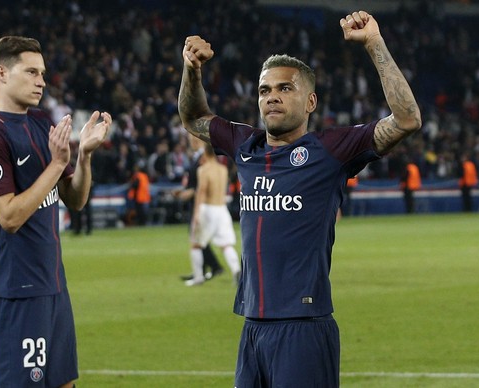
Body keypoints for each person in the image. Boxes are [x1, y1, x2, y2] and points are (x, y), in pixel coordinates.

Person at [178, 10, 421, 387]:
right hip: (253, 327)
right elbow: (194, 117)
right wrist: (191, 69)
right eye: (264, 90)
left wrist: (374, 43)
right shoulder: (246, 145)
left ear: (310, 102)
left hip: (304, 327)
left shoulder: (331, 150)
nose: (271, 97)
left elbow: (406, 120)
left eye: (284, 88)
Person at [0, 36, 111, 388]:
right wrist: (57, 163)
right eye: (31, 71)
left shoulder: (41, 122)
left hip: (54, 287)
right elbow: (10, 217)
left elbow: (74, 200)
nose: (41, 81)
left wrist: (83, 155)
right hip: (19, 292)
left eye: (42, 73)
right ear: (1, 73)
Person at [184, 143, 241, 286]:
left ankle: (198, 277)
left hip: (207, 209)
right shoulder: (223, 170)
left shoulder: (203, 170)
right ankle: (236, 271)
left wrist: (196, 213)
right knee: (226, 245)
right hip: (221, 209)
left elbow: (201, 192)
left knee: (196, 244)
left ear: (205, 153)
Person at [174, 133, 224, 282]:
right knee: (198, 236)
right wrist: (183, 192)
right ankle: (204, 269)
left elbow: (201, 186)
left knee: (197, 236)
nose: (192, 141)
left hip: (202, 203)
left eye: (194, 139)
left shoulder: (203, 159)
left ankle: (212, 268)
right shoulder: (197, 157)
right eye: (190, 139)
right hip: (196, 201)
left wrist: (188, 194)